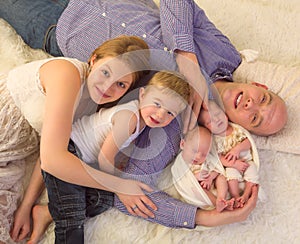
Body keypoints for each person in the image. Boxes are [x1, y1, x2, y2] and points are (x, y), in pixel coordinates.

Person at [1, 0, 283, 241]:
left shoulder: (171, 125)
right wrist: (186, 54)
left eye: (255, 118)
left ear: (240, 128)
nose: (250, 104)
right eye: (263, 100)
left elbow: (132, 191)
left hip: (59, 27)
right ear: (261, 86)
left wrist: (206, 218)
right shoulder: (225, 54)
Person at [0, 35, 155, 244]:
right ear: (93, 60)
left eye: (120, 84)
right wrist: (120, 186)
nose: (108, 87)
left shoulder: (93, 104)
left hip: (15, 153)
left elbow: (52, 147)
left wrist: (27, 205)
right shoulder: (67, 75)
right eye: (105, 72)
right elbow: (53, 159)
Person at [43, 70, 190, 243]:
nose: (160, 115)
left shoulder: (142, 120)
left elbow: (113, 144)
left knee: (103, 200)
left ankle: (46, 211)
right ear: (142, 95)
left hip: (83, 161)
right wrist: (119, 184)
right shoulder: (129, 118)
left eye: (170, 113)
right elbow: (105, 158)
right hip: (69, 152)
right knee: (72, 221)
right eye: (157, 104)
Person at [198, 100, 260, 208]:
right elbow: (218, 158)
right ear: (207, 128)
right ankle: (235, 196)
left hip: (247, 161)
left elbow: (248, 141)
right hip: (231, 165)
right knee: (231, 175)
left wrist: (237, 149)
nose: (216, 120)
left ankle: (246, 193)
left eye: (217, 114)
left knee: (252, 169)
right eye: (210, 121)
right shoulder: (214, 141)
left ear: (225, 114)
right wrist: (234, 164)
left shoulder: (237, 129)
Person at [171, 126, 235, 212]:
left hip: (212, 184)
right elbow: (181, 179)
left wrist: (210, 177)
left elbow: (217, 168)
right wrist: (196, 177)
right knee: (195, 190)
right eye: (194, 151)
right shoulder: (181, 162)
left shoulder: (207, 160)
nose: (198, 157)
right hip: (200, 190)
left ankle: (221, 198)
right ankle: (216, 203)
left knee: (221, 178)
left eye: (204, 154)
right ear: (183, 144)